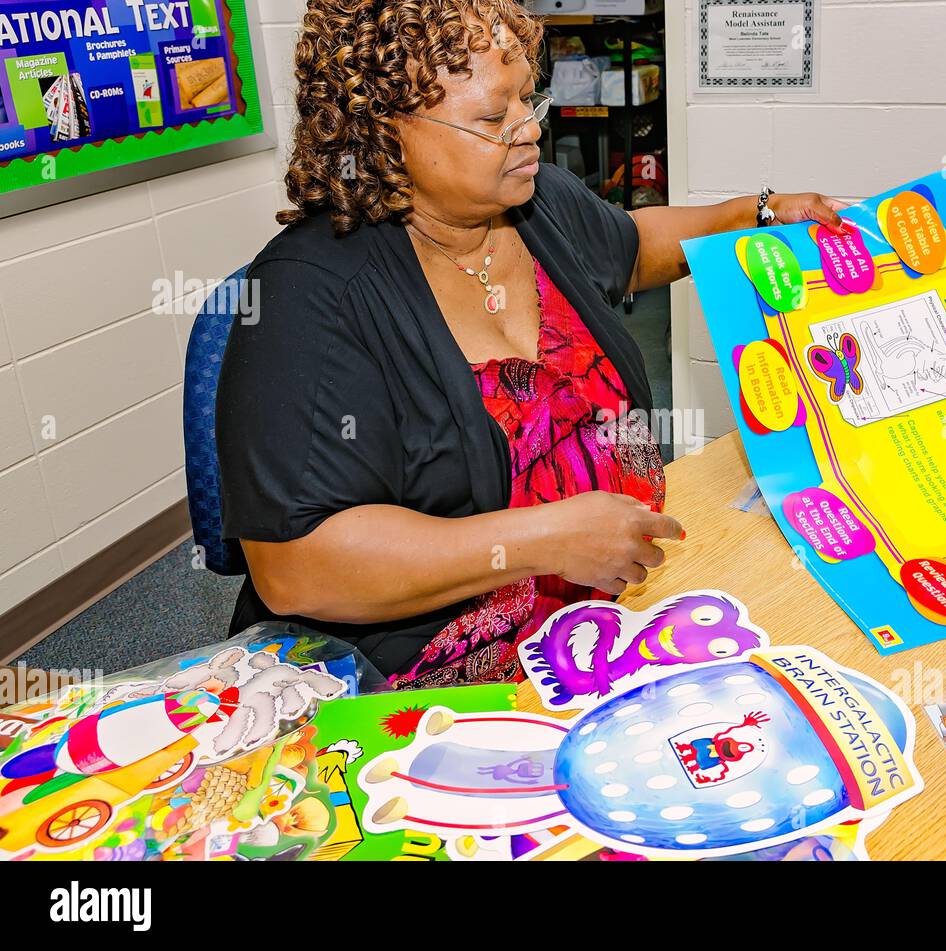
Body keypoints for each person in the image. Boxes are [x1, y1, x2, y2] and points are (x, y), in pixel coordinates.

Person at [215, 0, 850, 688]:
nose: (529, 129)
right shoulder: (307, 295)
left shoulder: (534, 203)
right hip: (429, 682)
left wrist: (752, 214)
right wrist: (542, 541)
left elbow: (634, 249)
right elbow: (295, 567)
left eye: (528, 97)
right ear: (384, 130)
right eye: (494, 117)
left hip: (606, 619)